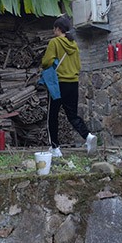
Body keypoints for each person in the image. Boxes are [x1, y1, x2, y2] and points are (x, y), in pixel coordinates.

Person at [41, 15, 97, 158]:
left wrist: (52, 63)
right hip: (73, 82)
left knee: (52, 116)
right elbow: (78, 65)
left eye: (54, 28)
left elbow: (46, 62)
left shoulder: (55, 42)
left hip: (58, 84)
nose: (53, 31)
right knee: (72, 115)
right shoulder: (74, 45)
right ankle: (88, 136)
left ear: (58, 29)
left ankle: (55, 148)